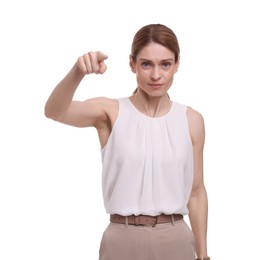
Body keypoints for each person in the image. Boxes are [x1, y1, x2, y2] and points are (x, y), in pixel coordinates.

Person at [44, 23, 209, 260]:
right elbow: (54, 112)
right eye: (146, 64)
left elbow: (196, 192)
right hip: (120, 240)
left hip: (176, 239)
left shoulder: (191, 120)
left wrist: (203, 255)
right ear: (132, 64)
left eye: (165, 64)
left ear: (177, 64)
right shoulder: (111, 111)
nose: (155, 75)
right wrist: (77, 72)